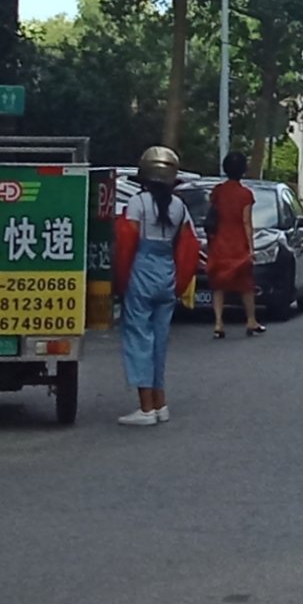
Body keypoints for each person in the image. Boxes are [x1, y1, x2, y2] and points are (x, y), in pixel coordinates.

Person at [112, 145, 200, 426]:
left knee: (139, 338)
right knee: (160, 340)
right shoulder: (179, 207)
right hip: (167, 273)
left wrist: (121, 280)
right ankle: (161, 404)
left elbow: (126, 243)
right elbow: (189, 247)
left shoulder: (138, 203)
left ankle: (145, 408)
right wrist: (179, 283)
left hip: (141, 271)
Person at [206, 150, 263, 339]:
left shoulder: (218, 191)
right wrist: (251, 247)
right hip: (238, 243)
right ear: (243, 170)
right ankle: (251, 320)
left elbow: (213, 213)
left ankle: (218, 322)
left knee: (218, 283)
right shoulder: (245, 194)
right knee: (245, 284)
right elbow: (246, 221)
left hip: (220, 241)